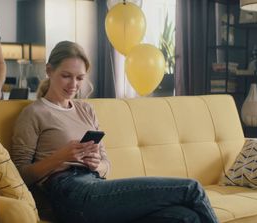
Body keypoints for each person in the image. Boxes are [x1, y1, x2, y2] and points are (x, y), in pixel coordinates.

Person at [11, 41, 219, 223]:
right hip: (68, 194)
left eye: (80, 78)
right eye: (66, 76)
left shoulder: (85, 110)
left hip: (96, 186)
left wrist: (96, 164)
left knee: (185, 217)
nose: (73, 85)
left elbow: (106, 165)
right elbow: (20, 174)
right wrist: (59, 158)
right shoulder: (34, 113)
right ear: (49, 71)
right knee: (191, 188)